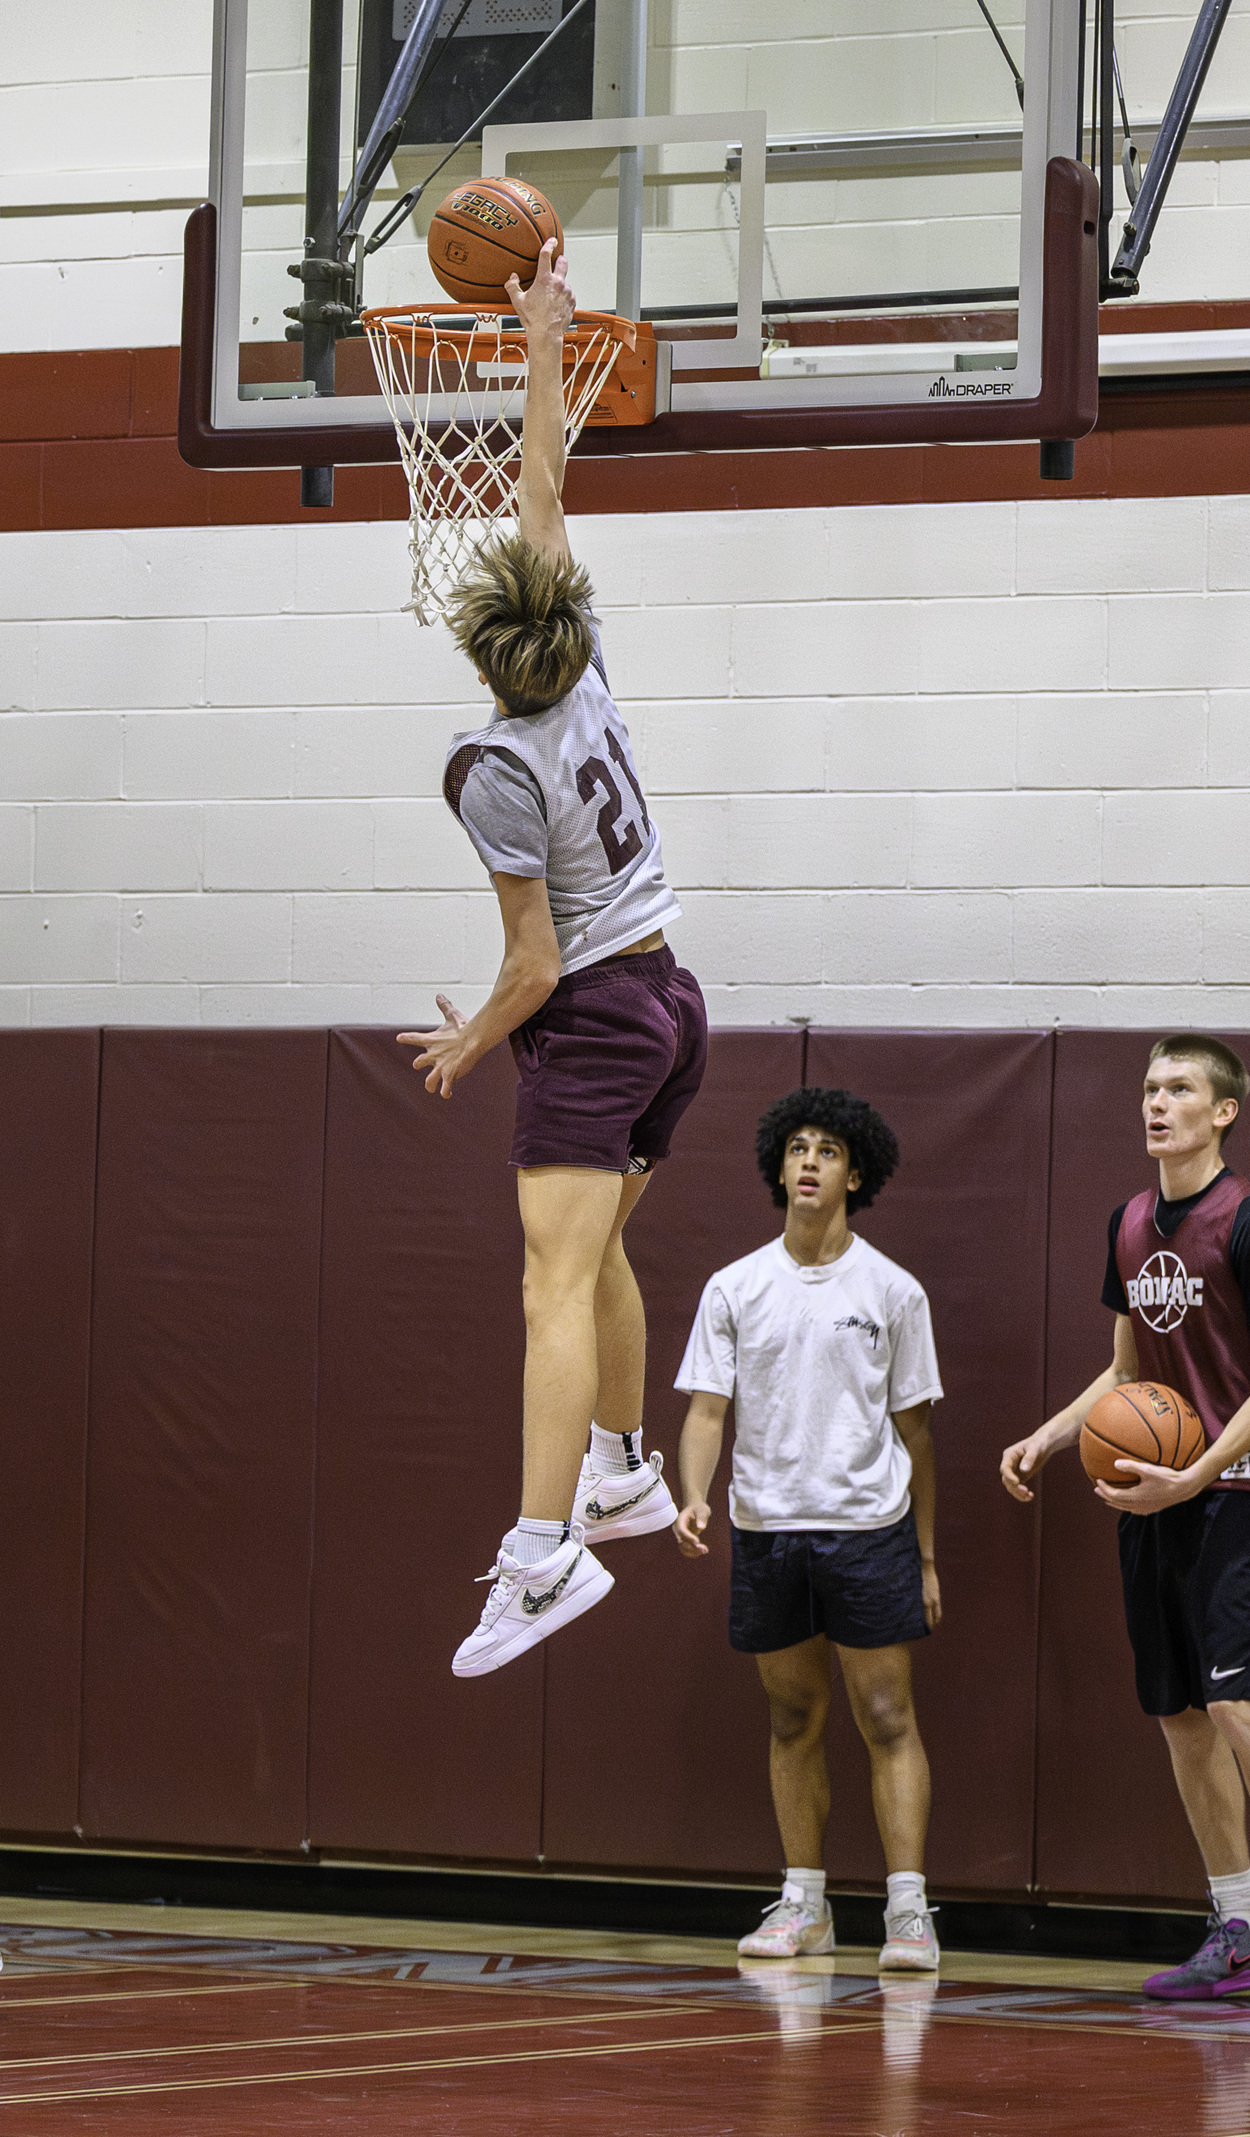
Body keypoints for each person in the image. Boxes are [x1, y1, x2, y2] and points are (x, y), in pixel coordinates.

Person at [398, 240, 705, 1676]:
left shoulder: (486, 761)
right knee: (601, 1258)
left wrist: (472, 1043)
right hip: (670, 996)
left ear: (480, 648)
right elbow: (542, 490)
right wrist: (544, 338)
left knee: (548, 1288)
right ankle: (626, 1467)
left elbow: (528, 964)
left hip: (588, 1017)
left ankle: (540, 1556)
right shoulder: (587, 666)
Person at [1001, 1036, 1250, 2014]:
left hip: (1239, 1484)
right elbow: (1129, 1372)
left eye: (1180, 1088)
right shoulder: (1131, 1221)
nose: (1157, 1101)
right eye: (1149, 1086)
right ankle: (1237, 1930)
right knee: (1180, 1715)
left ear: (1223, 1111)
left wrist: (1198, 1476)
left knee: (1237, 1703)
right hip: (1153, 1486)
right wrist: (1052, 1436)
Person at [673, 1088, 944, 1972]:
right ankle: (804, 1902)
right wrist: (693, 1492)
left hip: (868, 1530)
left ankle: (908, 1912)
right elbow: (708, 1409)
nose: (810, 1161)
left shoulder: (896, 1290)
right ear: (779, 1168)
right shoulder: (735, 1287)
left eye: (828, 1149)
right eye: (797, 1147)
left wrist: (928, 1556)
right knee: (793, 1715)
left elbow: (917, 1434)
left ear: (854, 1172)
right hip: (766, 1528)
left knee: (885, 1713)